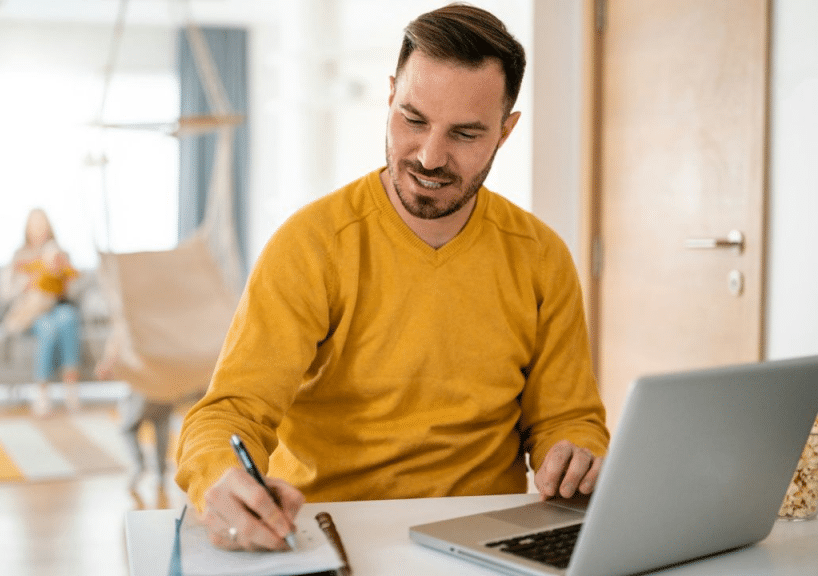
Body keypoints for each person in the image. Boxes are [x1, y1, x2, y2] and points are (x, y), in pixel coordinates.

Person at [174, 2, 610, 552]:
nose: (430, 156)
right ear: (389, 97)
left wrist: (574, 452)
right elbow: (230, 413)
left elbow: (569, 419)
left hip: (487, 541)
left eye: (466, 134)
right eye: (413, 119)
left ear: (505, 130)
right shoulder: (311, 245)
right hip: (333, 532)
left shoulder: (541, 256)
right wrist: (220, 478)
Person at [0, 208, 82, 416]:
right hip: (32, 312)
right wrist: (28, 284)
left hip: (56, 306)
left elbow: (73, 290)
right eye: (35, 226)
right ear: (27, 229)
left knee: (68, 317)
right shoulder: (19, 257)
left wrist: (63, 281)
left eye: (43, 225)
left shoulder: (60, 255)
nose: (39, 230)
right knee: (48, 326)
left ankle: (70, 386)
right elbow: (5, 293)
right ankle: (42, 390)